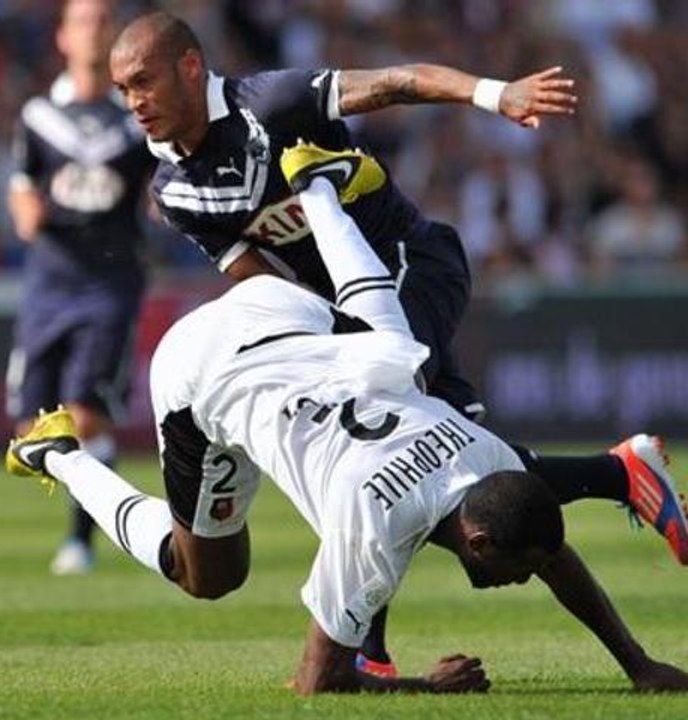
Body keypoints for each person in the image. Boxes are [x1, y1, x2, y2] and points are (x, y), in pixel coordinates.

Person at [106, 11, 684, 675]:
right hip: (343, 317)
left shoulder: (271, 103)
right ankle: (622, 485)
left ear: (189, 67)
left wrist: (495, 94)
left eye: (142, 82)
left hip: (407, 262)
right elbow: (258, 282)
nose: (133, 102)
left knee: (396, 453)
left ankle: (370, 656)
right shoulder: (175, 189)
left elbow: (398, 81)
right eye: (123, 89)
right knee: (479, 477)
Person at [6, 149, 688, 694]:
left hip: (286, 313)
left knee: (392, 345)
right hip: (203, 370)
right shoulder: (373, 527)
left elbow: (552, 552)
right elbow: (314, 684)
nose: (524, 580)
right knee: (206, 574)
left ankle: (319, 187)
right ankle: (60, 452)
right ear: (477, 541)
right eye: (519, 570)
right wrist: (429, 688)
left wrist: (639, 664)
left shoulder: (487, 462)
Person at [5, 0, 153, 575]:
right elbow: (21, 179)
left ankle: (81, 541)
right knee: (31, 432)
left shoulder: (135, 117)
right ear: (63, 37)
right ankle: (99, 507)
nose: (94, 29)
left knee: (85, 417)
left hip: (111, 280)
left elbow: (160, 178)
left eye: (103, 20)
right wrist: (23, 209)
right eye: (84, 20)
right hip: (49, 279)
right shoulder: (41, 115)